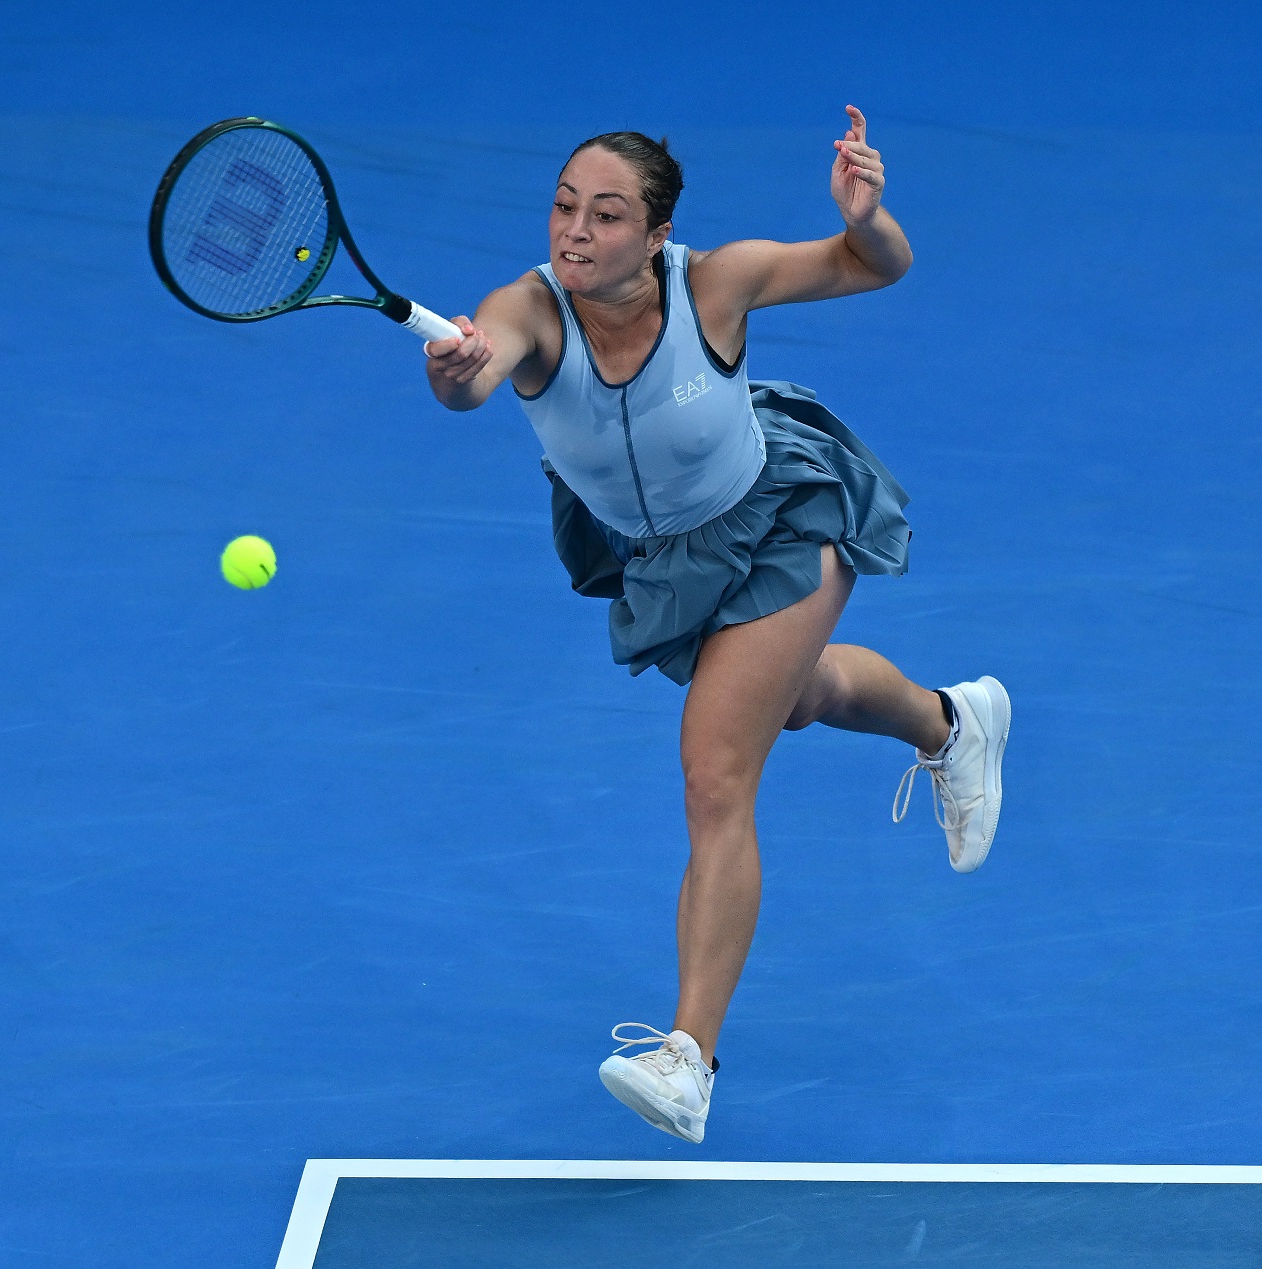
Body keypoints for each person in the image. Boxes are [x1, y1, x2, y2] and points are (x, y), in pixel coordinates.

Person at [422, 106, 1009, 1144]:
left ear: (657, 235)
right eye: (564, 206)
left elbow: (877, 267)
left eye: (607, 215)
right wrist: (458, 374)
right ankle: (951, 722)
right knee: (798, 696)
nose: (575, 231)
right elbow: (478, 373)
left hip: (780, 514)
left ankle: (688, 1056)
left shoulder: (717, 284)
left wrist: (865, 219)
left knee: (716, 770)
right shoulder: (528, 308)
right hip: (661, 556)